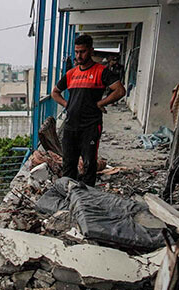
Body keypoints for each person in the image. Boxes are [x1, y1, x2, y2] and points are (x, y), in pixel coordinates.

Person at [51, 34, 125, 186]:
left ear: (91, 50)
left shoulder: (101, 71)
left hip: (90, 125)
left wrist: (101, 103)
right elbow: (54, 92)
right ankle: (69, 196)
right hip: (71, 125)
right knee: (68, 164)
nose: (79, 55)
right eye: (77, 52)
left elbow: (119, 91)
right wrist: (68, 105)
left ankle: (88, 197)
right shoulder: (71, 74)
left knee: (89, 164)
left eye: (82, 51)